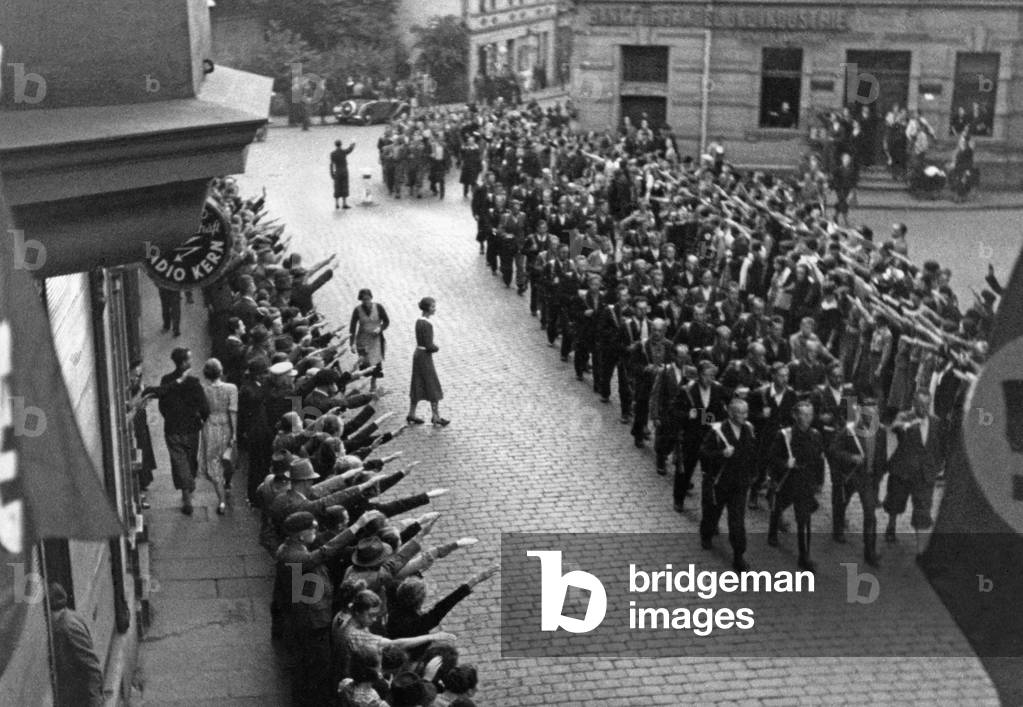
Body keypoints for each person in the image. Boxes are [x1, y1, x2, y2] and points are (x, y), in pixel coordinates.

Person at [146, 347, 210, 515]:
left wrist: (169, 416)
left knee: (178, 461)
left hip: (172, 428)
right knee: (190, 458)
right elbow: (204, 406)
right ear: (183, 363)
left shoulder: (166, 380)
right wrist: (202, 419)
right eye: (189, 359)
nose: (191, 362)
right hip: (191, 428)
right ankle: (188, 489)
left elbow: (162, 405)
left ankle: (186, 490)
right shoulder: (194, 382)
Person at [698, 397, 758, 571]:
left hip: (740, 483)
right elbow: (703, 452)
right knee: (712, 512)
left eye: (746, 412)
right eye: (740, 412)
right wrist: (721, 453)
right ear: (731, 413)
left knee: (737, 521)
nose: (744, 416)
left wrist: (753, 473)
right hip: (720, 482)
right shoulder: (718, 431)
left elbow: (753, 453)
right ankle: (706, 534)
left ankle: (739, 556)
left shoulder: (749, 429)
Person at [768, 400, 826, 572]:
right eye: (804, 414)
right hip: (788, 480)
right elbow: (771, 458)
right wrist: (786, 463)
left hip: (805, 481)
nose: (808, 418)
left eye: (811, 414)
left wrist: (819, 481)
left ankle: (804, 556)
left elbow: (819, 460)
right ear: (795, 415)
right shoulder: (784, 435)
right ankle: (772, 531)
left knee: (804, 519)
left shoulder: (816, 435)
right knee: (779, 507)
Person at [829, 398, 887, 566]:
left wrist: (878, 477)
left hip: (868, 479)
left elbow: (881, 457)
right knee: (842, 502)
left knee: (870, 516)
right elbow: (834, 450)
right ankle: (837, 529)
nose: (873, 416)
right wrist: (851, 457)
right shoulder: (850, 430)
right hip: (851, 476)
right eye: (869, 413)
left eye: (875, 413)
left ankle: (870, 552)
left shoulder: (881, 432)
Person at [883, 389, 944, 544]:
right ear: (914, 404)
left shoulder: (935, 422)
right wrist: (909, 424)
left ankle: (921, 543)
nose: (924, 409)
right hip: (903, 470)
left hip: (924, 474)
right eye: (920, 405)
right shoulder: (905, 416)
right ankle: (891, 525)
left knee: (923, 508)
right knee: (895, 501)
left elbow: (939, 446)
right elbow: (895, 427)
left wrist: (935, 466)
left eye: (927, 405)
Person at [49, 582, 105, 707]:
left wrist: (95, 703)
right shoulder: (69, 616)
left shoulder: (67, 627)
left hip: (83, 698)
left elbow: (92, 666)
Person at [199, 357, 238, 515]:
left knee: (213, 461)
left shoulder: (203, 389)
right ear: (221, 372)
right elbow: (233, 411)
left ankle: (221, 500)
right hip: (226, 425)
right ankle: (227, 482)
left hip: (210, 426)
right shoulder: (231, 388)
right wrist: (234, 432)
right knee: (227, 458)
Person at [408, 297, 448, 426]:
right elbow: (429, 345)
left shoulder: (418, 321)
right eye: (432, 307)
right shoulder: (428, 324)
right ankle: (435, 416)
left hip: (418, 354)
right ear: (427, 309)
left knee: (417, 383)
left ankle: (411, 413)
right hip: (425, 356)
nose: (434, 309)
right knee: (432, 384)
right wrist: (436, 347)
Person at [127, 359, 156, 509]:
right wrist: (140, 395)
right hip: (135, 421)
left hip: (140, 419)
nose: (137, 378)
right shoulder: (129, 387)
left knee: (143, 448)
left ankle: (143, 482)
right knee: (139, 449)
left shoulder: (136, 384)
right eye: (135, 375)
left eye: (139, 375)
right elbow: (131, 405)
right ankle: (140, 487)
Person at [349, 288, 390, 391]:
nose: (366, 302)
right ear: (360, 300)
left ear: (371, 298)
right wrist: (352, 343)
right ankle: (363, 381)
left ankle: (373, 384)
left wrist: (380, 328)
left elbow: (386, 321)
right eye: (363, 300)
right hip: (362, 340)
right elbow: (352, 327)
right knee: (365, 363)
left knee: (376, 362)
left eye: (368, 299)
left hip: (376, 340)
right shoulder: (357, 310)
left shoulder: (379, 307)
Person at [332, 139, 357, 210]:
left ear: (335, 145)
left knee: (337, 187)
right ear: (341, 144)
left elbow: (331, 164)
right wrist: (352, 144)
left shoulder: (332, 153)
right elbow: (349, 150)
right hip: (344, 171)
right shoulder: (343, 152)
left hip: (337, 172)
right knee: (344, 187)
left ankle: (336, 204)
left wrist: (332, 173)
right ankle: (344, 204)